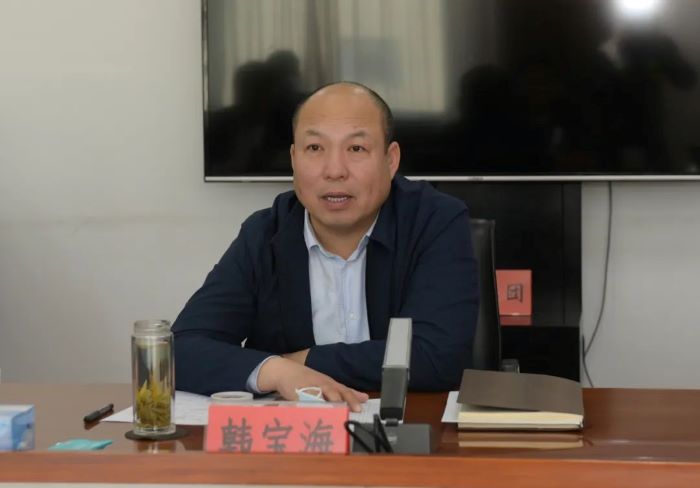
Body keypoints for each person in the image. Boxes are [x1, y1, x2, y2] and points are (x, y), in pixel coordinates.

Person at [172, 82, 478, 411]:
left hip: (407, 430)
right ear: (294, 158)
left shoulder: (434, 221)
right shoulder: (265, 233)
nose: (334, 171)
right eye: (315, 148)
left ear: (390, 160)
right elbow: (181, 349)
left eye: (356, 148)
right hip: (295, 436)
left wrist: (305, 361)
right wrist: (277, 371)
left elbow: (437, 356)